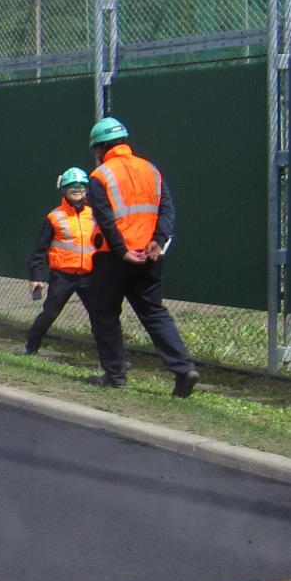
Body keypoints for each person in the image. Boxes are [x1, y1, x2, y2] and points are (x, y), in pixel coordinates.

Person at [82, 117, 199, 396]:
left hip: (114, 258)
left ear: (100, 148)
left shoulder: (101, 176)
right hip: (149, 256)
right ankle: (183, 369)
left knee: (105, 313)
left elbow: (105, 219)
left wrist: (122, 251)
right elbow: (167, 209)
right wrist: (158, 242)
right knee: (154, 312)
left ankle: (115, 375)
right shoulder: (151, 169)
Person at [22, 167, 96, 355]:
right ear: (63, 190)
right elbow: (39, 249)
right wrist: (35, 276)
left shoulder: (94, 214)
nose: (78, 189)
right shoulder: (55, 217)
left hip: (89, 275)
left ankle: (110, 359)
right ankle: (30, 348)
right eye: (72, 186)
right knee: (50, 313)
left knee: (100, 317)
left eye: (81, 186)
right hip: (63, 276)